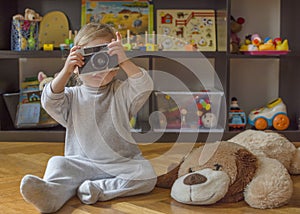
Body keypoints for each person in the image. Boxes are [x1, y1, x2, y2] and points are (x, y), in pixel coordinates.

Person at [20, 23, 157, 213]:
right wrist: (66, 70)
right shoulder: (71, 96)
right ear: (77, 67)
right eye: (89, 58)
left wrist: (125, 60)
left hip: (120, 163)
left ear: (115, 67)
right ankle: (51, 195)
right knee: (57, 163)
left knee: (147, 174)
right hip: (80, 163)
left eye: (104, 58)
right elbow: (49, 101)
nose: (98, 68)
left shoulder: (122, 92)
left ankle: (95, 189)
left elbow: (144, 86)